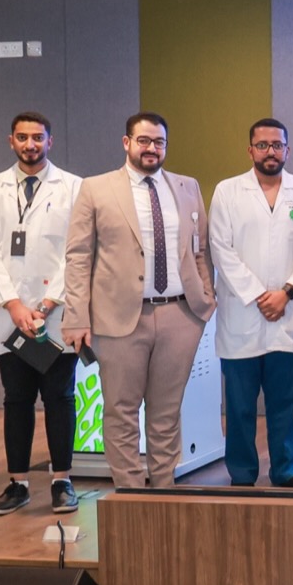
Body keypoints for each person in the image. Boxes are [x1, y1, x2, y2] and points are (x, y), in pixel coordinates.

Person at [60, 111, 215, 487]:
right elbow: (78, 256)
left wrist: (206, 296)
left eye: (159, 142)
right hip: (119, 319)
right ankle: (130, 495)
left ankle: (162, 492)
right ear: (126, 143)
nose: (151, 148)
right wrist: (76, 316)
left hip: (180, 316)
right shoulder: (96, 189)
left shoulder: (187, 187)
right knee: (121, 411)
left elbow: (199, 249)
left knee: (166, 412)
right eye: (143, 140)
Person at [0, 111, 84, 514]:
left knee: (60, 397)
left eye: (38, 137)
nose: (30, 144)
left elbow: (78, 250)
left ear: (50, 141)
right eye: (22, 137)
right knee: (16, 399)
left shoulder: (74, 187)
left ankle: (62, 480)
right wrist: (14, 304)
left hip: (57, 314)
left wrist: (49, 301)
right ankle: (17, 483)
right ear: (11, 141)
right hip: (9, 316)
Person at [208, 118, 293, 487]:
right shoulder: (227, 191)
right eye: (263, 145)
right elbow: (220, 249)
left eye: (277, 145)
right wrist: (261, 296)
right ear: (250, 150)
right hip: (242, 316)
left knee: (284, 404)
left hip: (288, 314)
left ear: (287, 150)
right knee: (240, 407)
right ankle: (242, 474)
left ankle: (285, 471)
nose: (270, 151)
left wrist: (286, 292)